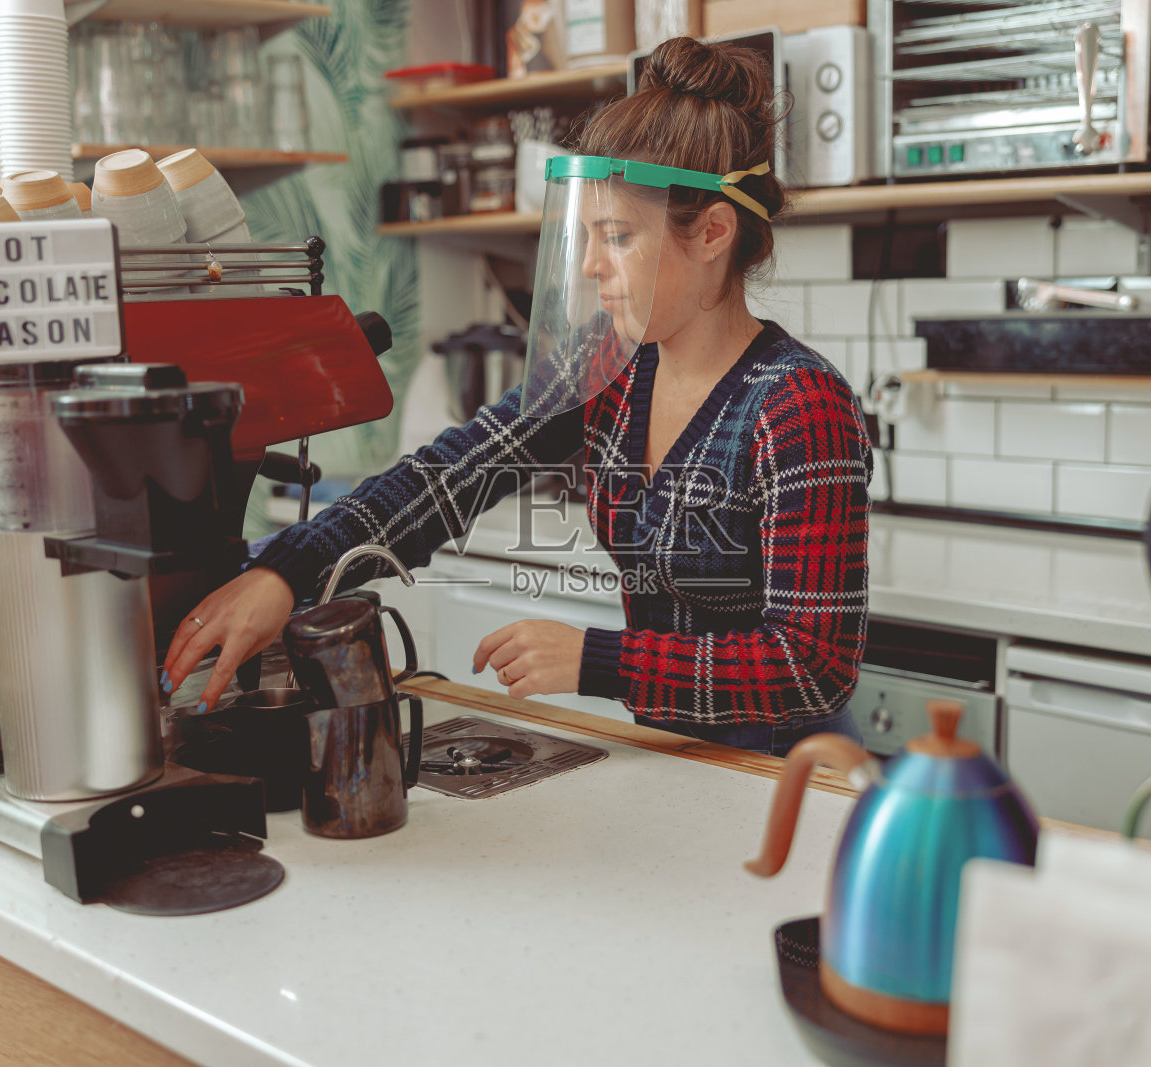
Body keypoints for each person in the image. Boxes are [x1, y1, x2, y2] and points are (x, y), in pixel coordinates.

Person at [163, 36, 873, 756]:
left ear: (714, 231)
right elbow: (450, 476)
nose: (593, 264)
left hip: (787, 779)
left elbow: (812, 667)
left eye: (619, 236)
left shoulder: (797, 404)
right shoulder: (614, 361)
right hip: (673, 756)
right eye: (588, 235)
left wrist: (598, 659)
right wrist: (287, 570)